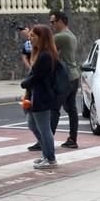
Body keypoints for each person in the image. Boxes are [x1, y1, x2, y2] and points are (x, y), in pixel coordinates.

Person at [21, 25, 60, 169]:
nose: (30, 39)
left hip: (42, 97)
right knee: (32, 124)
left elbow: (37, 77)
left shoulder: (45, 55)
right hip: (34, 96)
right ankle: (46, 153)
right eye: (29, 36)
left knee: (44, 129)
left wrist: (24, 83)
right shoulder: (39, 53)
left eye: (33, 36)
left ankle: (50, 159)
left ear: (41, 37)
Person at [50, 11, 81, 149]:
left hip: (65, 77)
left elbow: (43, 45)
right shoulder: (71, 35)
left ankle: (46, 140)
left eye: (53, 22)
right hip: (74, 76)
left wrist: (30, 36)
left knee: (54, 108)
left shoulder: (61, 36)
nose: (52, 25)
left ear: (61, 21)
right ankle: (72, 139)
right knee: (71, 109)